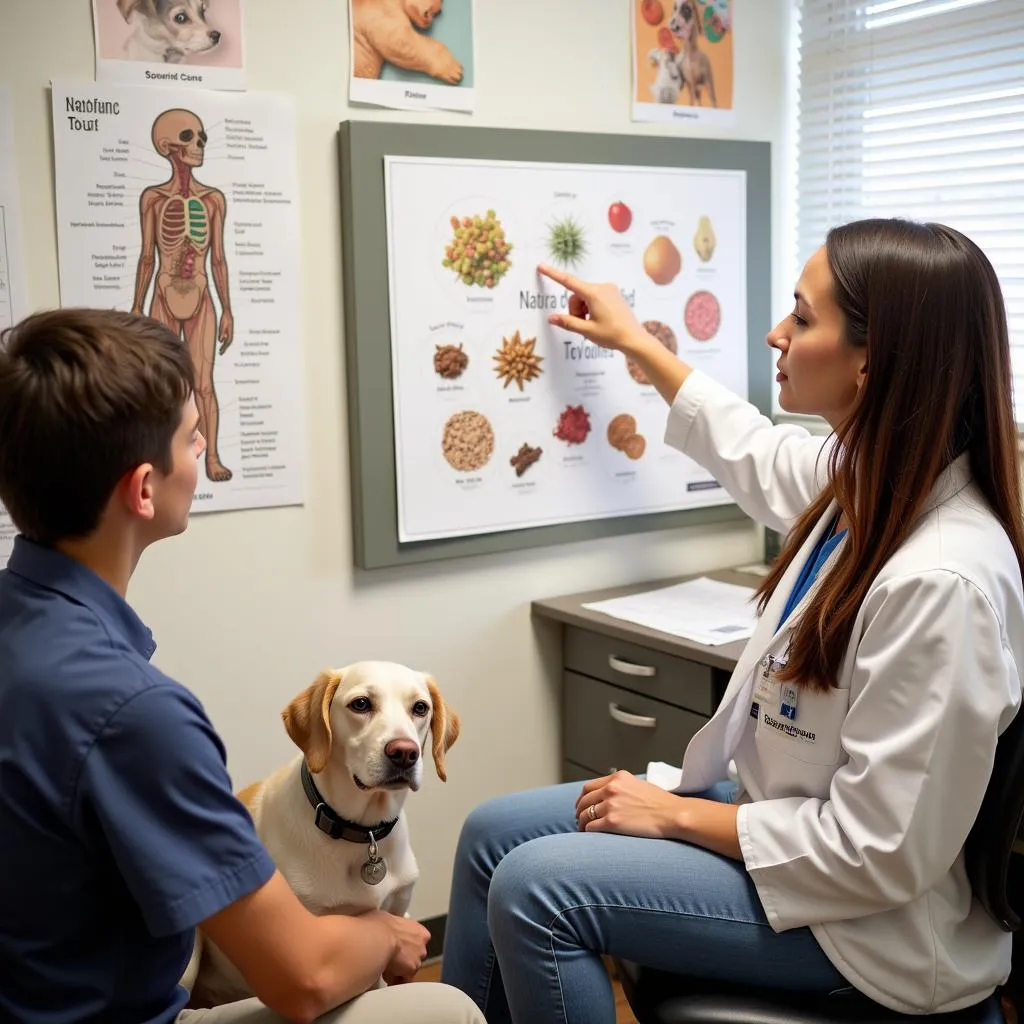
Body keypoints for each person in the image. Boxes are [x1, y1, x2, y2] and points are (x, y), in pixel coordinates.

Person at [440, 218, 1024, 1024]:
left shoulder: (945, 581)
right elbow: (752, 448)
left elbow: (878, 853)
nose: (776, 333)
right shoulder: (866, 480)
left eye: (802, 317)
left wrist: (679, 814)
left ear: (871, 359)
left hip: (866, 924)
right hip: (789, 827)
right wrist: (638, 345)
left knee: (540, 890)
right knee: (490, 834)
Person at [0, 308, 485, 1024]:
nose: (202, 453)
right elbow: (305, 981)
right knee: (447, 1009)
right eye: (194, 439)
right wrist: (385, 931)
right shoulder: (135, 711)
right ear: (143, 488)